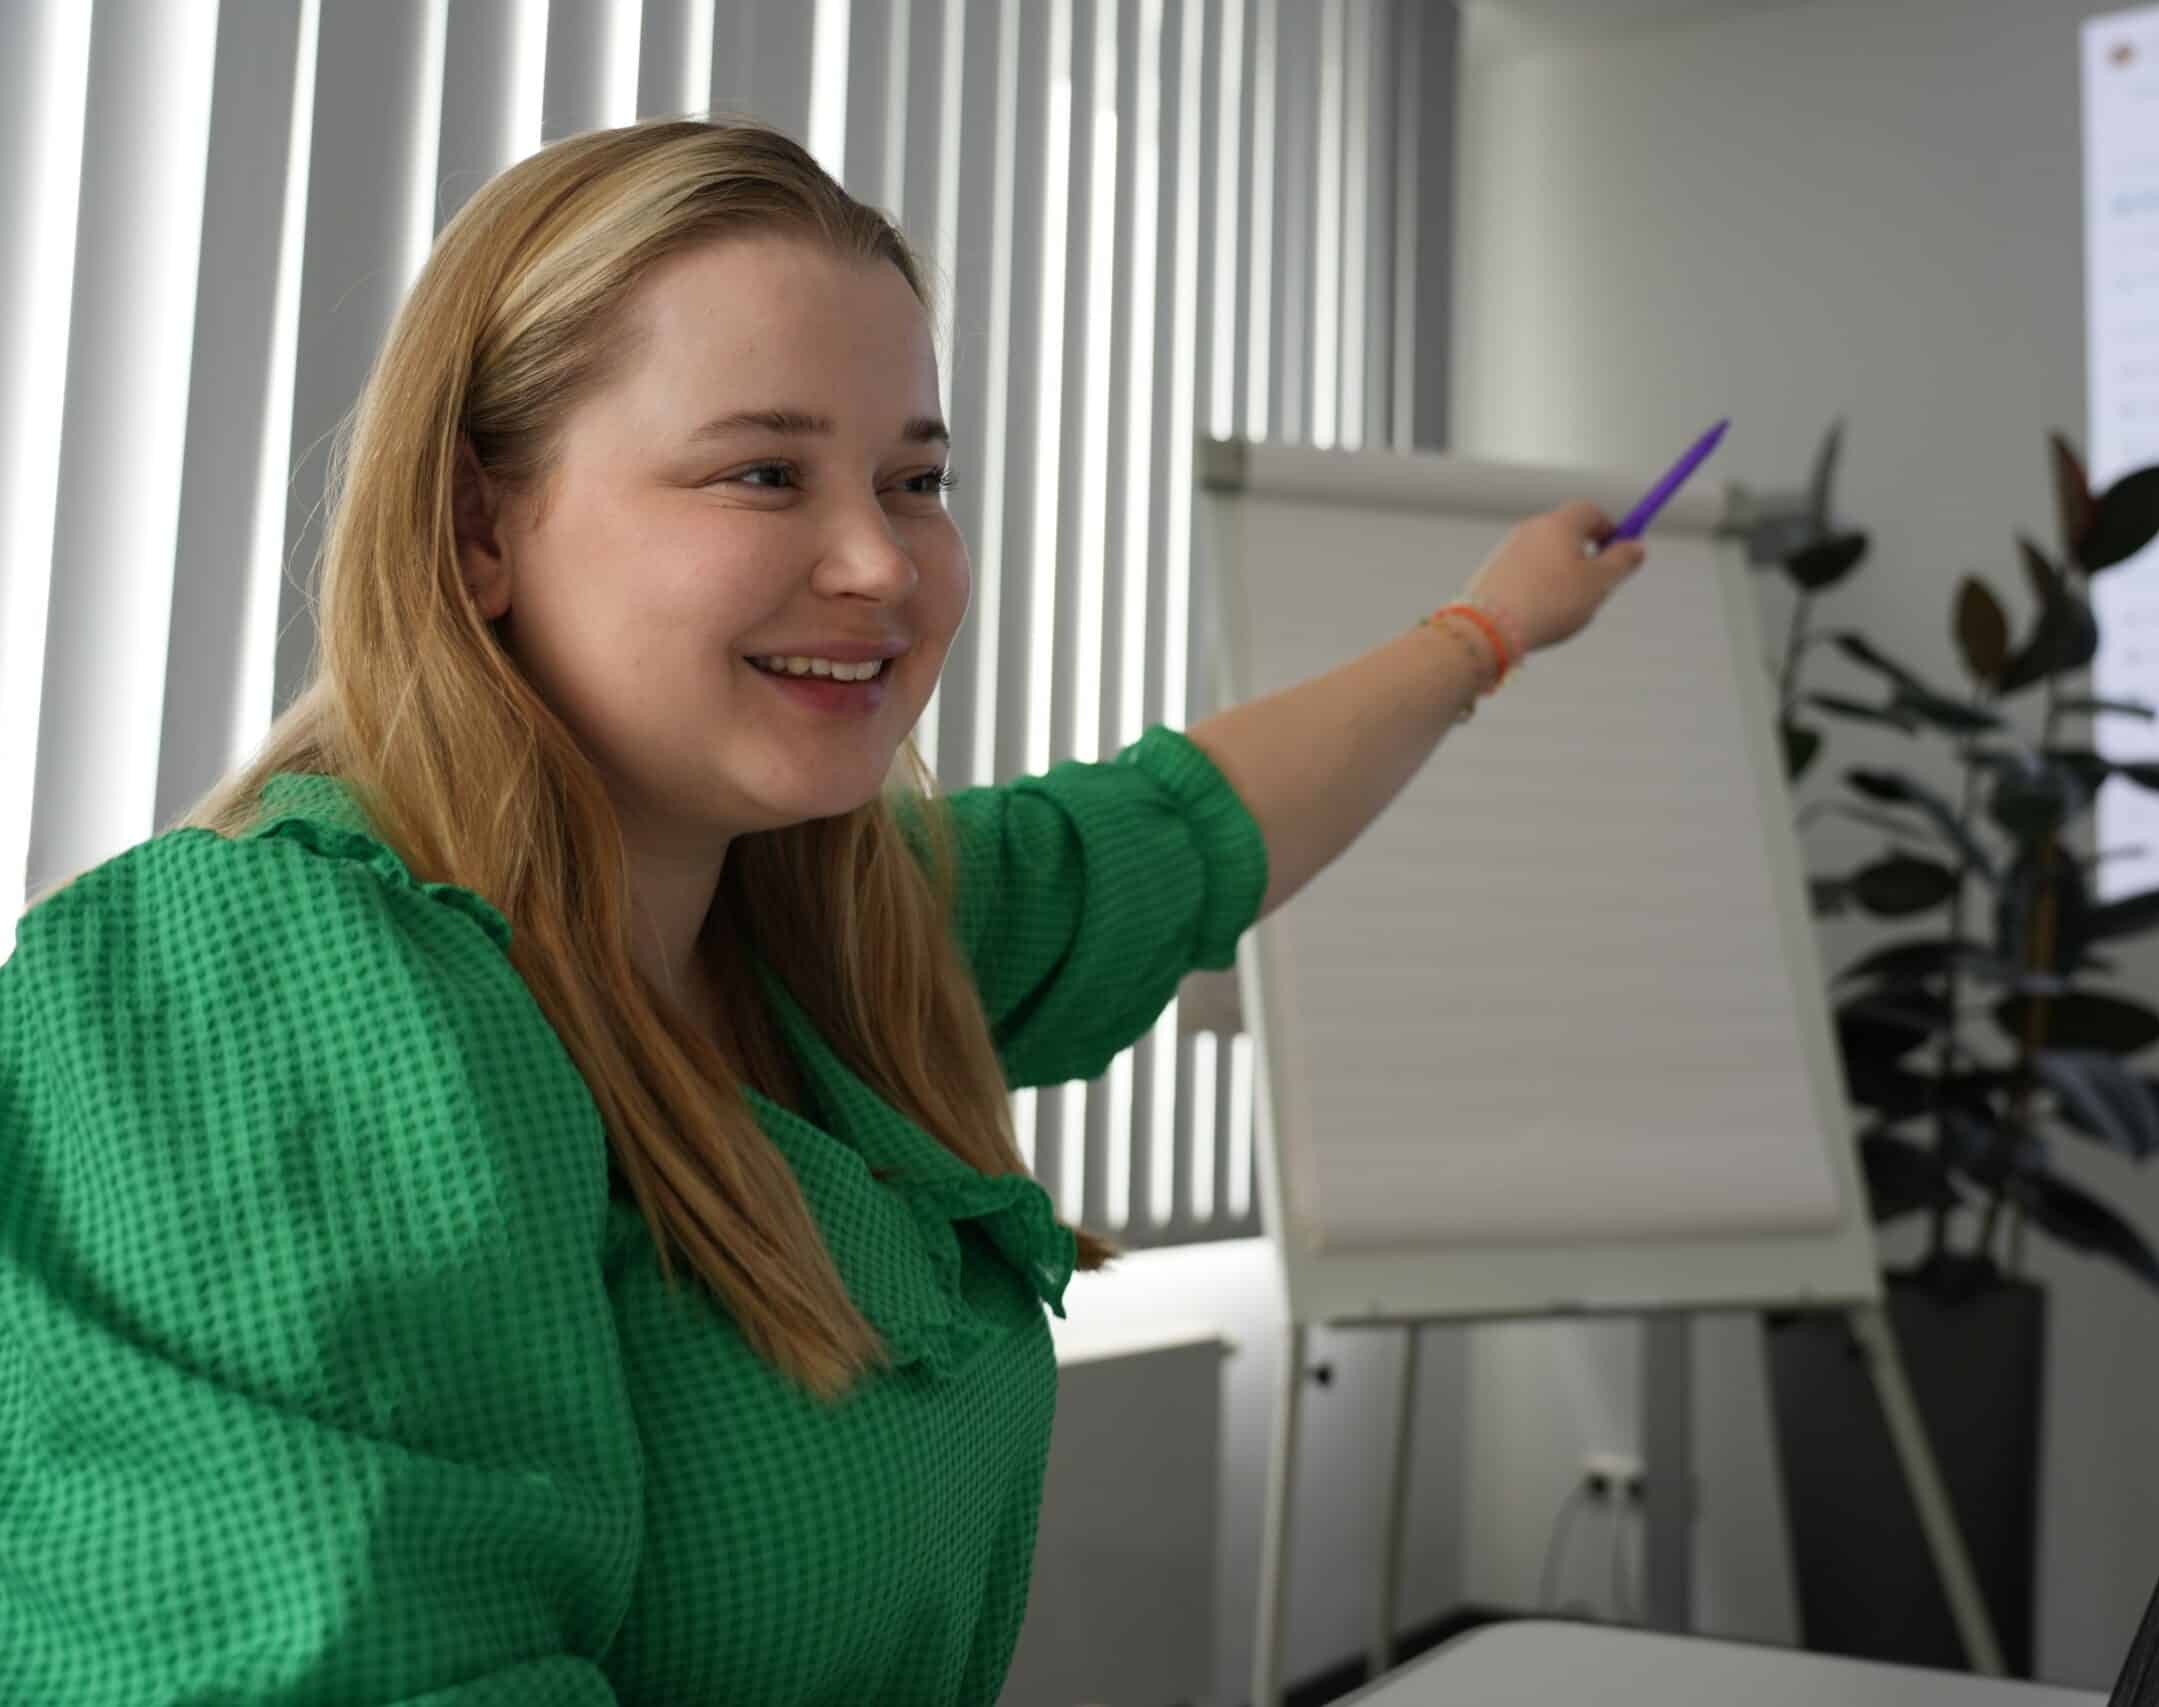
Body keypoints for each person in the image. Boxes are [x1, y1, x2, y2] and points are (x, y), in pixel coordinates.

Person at [0, 118, 1646, 1704]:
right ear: (477, 529)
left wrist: (1486, 632)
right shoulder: (274, 987)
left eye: (914, 479)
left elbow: (1176, 831)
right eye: (764, 474)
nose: (881, 563)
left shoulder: (814, 930)